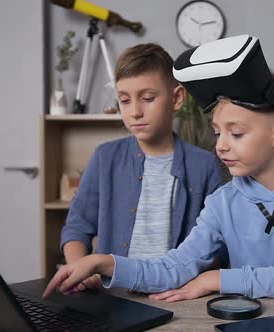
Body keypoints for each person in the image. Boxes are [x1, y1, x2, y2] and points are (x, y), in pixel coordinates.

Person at [45, 35, 274, 301]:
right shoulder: (223, 201)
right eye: (218, 133)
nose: (221, 145)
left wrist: (215, 279)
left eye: (236, 133)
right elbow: (176, 266)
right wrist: (104, 263)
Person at [59, 43, 224, 290]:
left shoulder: (205, 165)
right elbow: (77, 227)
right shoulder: (105, 157)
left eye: (147, 98)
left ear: (177, 98)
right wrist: (80, 268)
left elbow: (216, 247)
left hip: (175, 293)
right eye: (124, 101)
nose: (135, 111)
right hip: (113, 292)